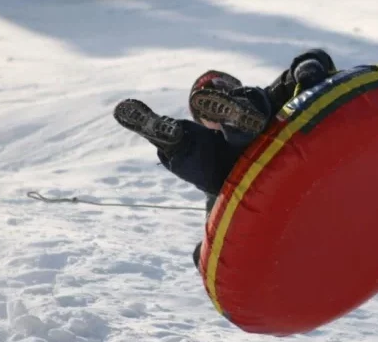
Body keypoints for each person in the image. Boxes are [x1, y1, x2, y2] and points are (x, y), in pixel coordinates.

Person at [113, 49, 337, 269]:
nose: (214, 102)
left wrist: (308, 72)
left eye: (221, 93)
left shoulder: (271, 98)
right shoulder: (216, 170)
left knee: (261, 103)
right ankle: (176, 141)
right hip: (250, 181)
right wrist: (202, 255)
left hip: (288, 138)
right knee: (207, 165)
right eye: (206, 109)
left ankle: (235, 119)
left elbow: (316, 59)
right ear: (201, 121)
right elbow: (217, 230)